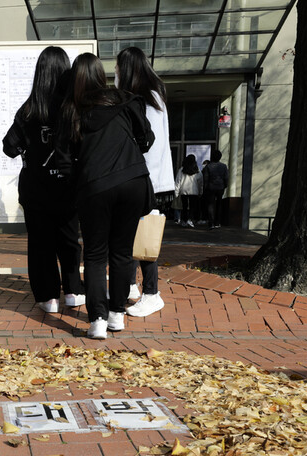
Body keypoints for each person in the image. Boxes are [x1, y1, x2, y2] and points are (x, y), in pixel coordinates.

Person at [56, 53, 154, 340]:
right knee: (122, 253)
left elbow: (64, 159)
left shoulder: (72, 109)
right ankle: (117, 315)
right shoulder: (125, 100)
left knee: (96, 255)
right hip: (133, 180)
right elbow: (146, 139)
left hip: (94, 186)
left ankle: (97, 320)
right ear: (102, 74)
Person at [2, 46, 85, 314]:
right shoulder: (73, 108)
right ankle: (73, 291)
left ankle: (49, 297)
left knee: (41, 244)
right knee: (69, 239)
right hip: (67, 187)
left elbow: (9, 147)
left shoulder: (28, 110)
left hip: (35, 189)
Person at [116, 46, 172, 319]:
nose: (115, 73)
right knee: (133, 235)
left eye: (117, 68)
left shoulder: (145, 100)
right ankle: (131, 287)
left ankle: (152, 293)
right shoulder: (153, 96)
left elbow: (147, 144)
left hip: (146, 179)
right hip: (150, 178)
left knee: (144, 238)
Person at [203, 149, 229, 229]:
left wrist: (205, 187)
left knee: (210, 205)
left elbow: (206, 178)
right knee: (219, 204)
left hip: (211, 187)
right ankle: (217, 222)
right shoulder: (224, 166)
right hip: (220, 187)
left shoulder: (208, 166)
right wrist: (225, 185)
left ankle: (211, 223)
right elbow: (226, 177)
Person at [175, 154, 202, 228]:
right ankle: (190, 219)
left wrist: (176, 192)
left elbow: (178, 181)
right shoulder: (197, 170)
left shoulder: (182, 170)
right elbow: (200, 182)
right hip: (194, 191)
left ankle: (184, 220)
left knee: (184, 206)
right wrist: (200, 192)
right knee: (192, 207)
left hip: (184, 191)